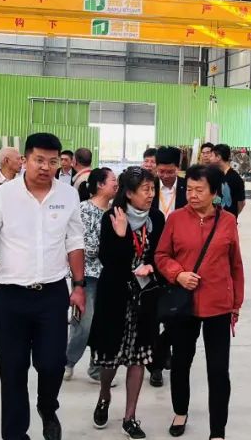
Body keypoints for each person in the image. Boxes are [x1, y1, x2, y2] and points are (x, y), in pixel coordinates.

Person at [0, 133, 87, 440]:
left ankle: (47, 406)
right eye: (38, 160)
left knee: (52, 363)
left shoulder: (68, 195)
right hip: (12, 297)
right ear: (25, 160)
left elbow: (75, 242)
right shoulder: (3, 196)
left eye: (52, 161)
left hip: (53, 294)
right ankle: (16, 435)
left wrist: (79, 286)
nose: (46, 167)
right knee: (13, 369)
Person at [156, 164, 245, 440]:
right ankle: (180, 411)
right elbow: (161, 256)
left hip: (218, 305)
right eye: (190, 189)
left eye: (199, 190)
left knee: (218, 370)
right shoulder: (176, 219)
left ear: (214, 192)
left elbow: (236, 264)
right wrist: (178, 274)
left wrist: (236, 303)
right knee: (181, 362)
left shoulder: (227, 221)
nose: (192, 195)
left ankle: (217, 430)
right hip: (184, 305)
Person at [89, 167, 165, 439]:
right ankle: (104, 395)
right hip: (116, 297)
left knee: (138, 357)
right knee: (110, 358)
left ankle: (130, 417)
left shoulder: (157, 218)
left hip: (144, 299)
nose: (150, 194)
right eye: (145, 189)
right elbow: (108, 260)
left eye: (152, 189)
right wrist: (122, 236)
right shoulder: (113, 217)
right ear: (129, 193)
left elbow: (161, 253)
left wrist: (151, 267)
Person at [64, 168, 119, 384]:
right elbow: (85, 246)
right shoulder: (84, 210)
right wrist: (110, 248)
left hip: (109, 276)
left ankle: (96, 368)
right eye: (113, 180)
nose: (116, 183)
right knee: (83, 323)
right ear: (100, 185)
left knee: (104, 324)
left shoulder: (115, 211)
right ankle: (67, 362)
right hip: (86, 276)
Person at [147, 146, 187, 387]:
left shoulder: (187, 189)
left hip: (179, 261)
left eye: (170, 172)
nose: (165, 176)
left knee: (176, 315)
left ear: (178, 169)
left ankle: (165, 351)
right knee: (152, 316)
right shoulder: (148, 187)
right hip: (151, 260)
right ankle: (155, 367)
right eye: (161, 171)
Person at [209, 144, 246, 217]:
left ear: (218, 157)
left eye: (211, 156)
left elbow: (241, 203)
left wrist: (231, 216)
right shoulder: (215, 175)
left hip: (229, 219)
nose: (210, 159)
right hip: (215, 218)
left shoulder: (235, 178)